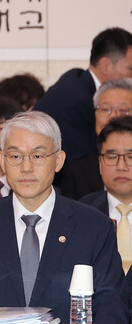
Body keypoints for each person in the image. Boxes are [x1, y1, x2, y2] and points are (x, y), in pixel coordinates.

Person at [0, 111, 128, 324]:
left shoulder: (93, 227)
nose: (26, 168)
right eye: (15, 157)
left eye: (37, 156)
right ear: (3, 162)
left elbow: (110, 305)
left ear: (58, 161)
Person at [35, 28, 132, 197]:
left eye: (122, 110)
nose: (113, 116)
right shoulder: (79, 102)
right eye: (130, 69)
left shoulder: (76, 79)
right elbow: (83, 176)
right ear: (106, 65)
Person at [80, 116, 132, 273]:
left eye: (131, 157)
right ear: (100, 164)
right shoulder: (81, 212)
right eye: (112, 157)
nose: (121, 166)